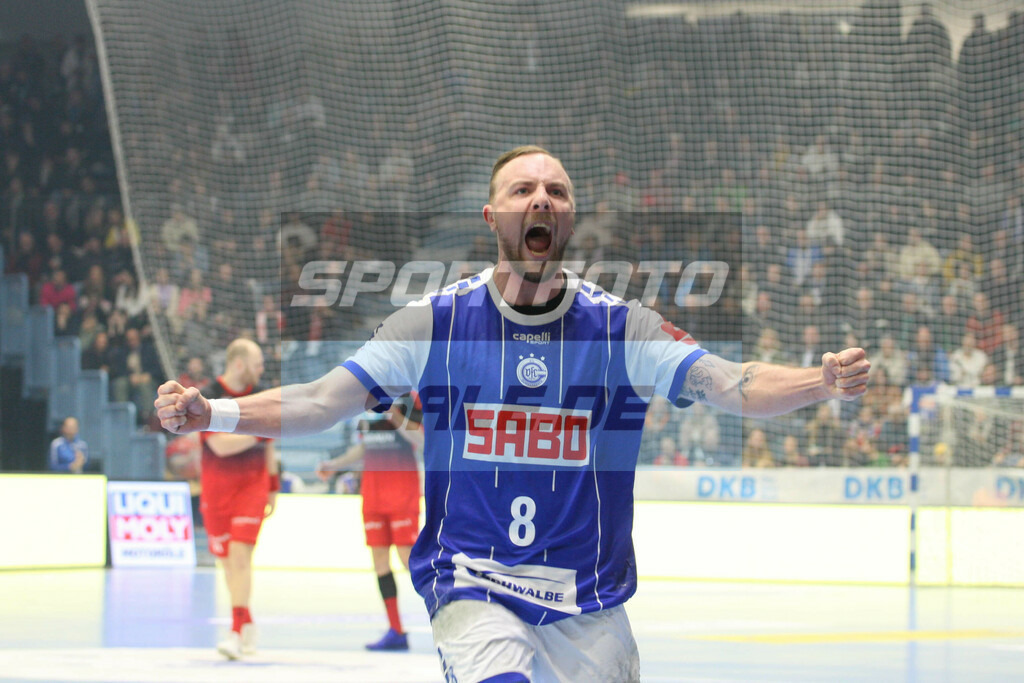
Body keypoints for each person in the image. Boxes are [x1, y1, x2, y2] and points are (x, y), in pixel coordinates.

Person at [156, 146, 870, 682]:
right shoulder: (433, 324)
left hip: (588, 601)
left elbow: (734, 383)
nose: (542, 198)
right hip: (473, 581)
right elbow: (318, 399)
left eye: (556, 190)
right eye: (523, 188)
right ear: (492, 214)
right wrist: (210, 411)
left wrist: (821, 381)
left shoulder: (621, 328)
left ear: (568, 218)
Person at [315, 393, 424, 651]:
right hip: (373, 495)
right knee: (380, 563)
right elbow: (365, 447)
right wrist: (335, 465)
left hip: (401, 492)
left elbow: (422, 441)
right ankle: (396, 629)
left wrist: (396, 417)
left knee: (408, 557)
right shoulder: (366, 401)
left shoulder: (412, 400)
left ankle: (447, 613)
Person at [197, 338, 279, 660]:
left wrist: (272, 485)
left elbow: (273, 443)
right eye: (257, 363)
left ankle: (233, 631)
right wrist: (263, 430)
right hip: (217, 490)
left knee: (241, 555)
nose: (262, 369)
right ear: (240, 363)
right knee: (229, 563)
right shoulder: (207, 395)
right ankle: (247, 622)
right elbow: (219, 446)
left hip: (252, 487)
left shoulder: (263, 395)